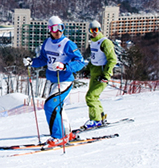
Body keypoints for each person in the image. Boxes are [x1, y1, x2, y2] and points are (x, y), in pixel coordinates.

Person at [23, 16, 85, 147]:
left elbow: (80, 62)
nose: (58, 31)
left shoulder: (68, 44)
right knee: (58, 107)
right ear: (49, 30)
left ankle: (58, 136)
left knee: (50, 106)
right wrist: (32, 62)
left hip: (64, 80)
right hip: (52, 80)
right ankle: (67, 133)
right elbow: (43, 59)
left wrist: (65, 66)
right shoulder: (47, 43)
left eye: (60, 28)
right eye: (54, 28)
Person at [83, 20, 117, 129]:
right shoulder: (93, 42)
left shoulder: (105, 42)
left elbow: (112, 59)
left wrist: (106, 75)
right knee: (94, 96)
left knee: (90, 97)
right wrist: (88, 69)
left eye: (96, 30)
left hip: (102, 74)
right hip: (94, 72)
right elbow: (93, 58)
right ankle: (101, 117)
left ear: (100, 29)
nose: (94, 32)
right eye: (91, 30)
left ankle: (95, 120)